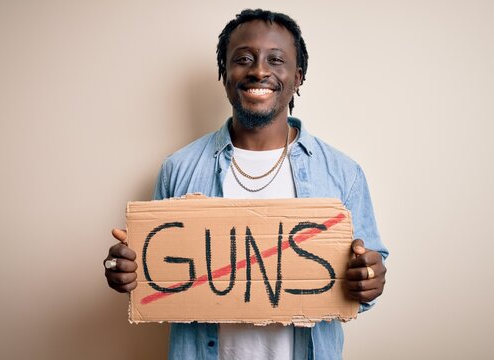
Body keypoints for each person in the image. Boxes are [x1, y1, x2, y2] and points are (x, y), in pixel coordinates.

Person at [104, 9, 388, 360]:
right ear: (224, 73)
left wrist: (369, 281)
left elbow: (369, 275)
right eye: (243, 59)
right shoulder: (178, 169)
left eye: (276, 60)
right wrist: (127, 272)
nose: (258, 70)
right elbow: (156, 276)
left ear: (297, 77)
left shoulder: (343, 173)